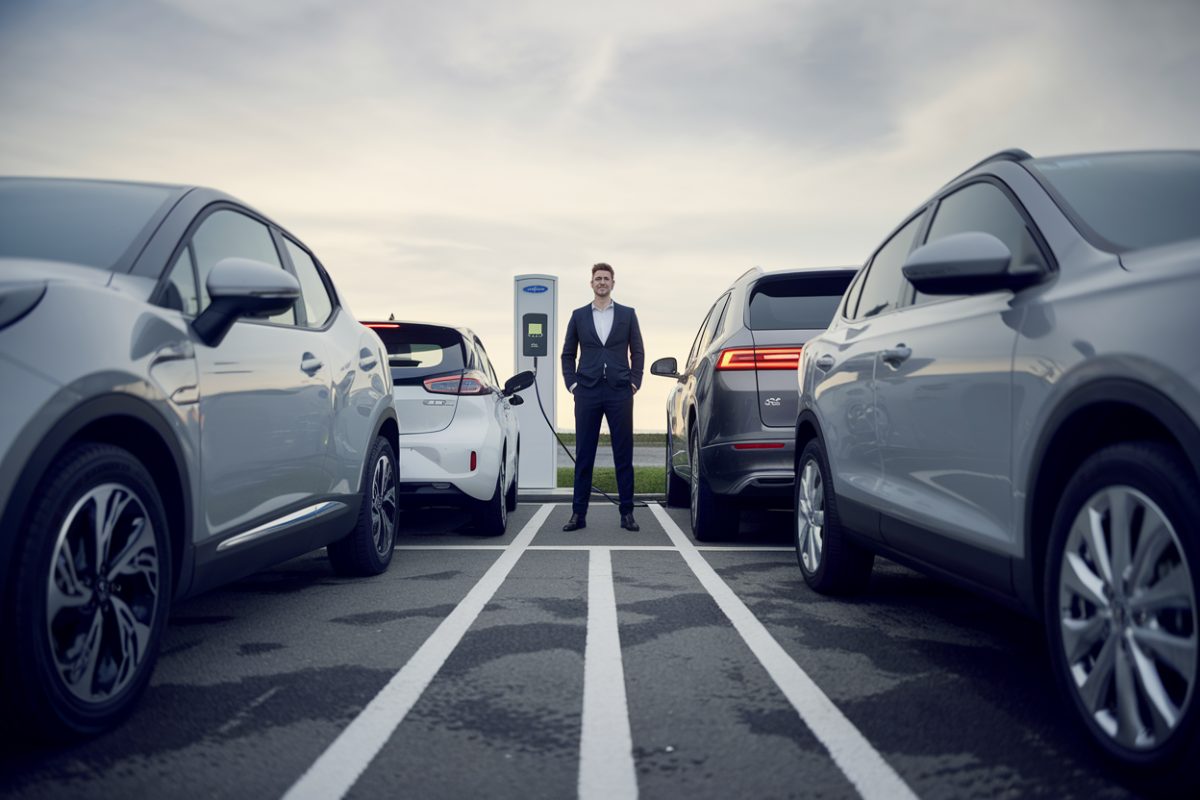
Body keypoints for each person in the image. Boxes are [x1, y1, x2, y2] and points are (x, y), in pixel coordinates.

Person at [560, 262, 645, 531]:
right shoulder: (578, 316)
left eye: (606, 278)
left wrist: (634, 382)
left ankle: (627, 513)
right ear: (591, 283)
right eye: (598, 278)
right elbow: (567, 354)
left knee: (623, 454)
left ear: (612, 283)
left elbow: (638, 352)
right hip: (587, 391)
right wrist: (573, 385)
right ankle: (578, 514)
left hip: (620, 391)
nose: (602, 282)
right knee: (584, 454)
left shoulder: (627, 314)